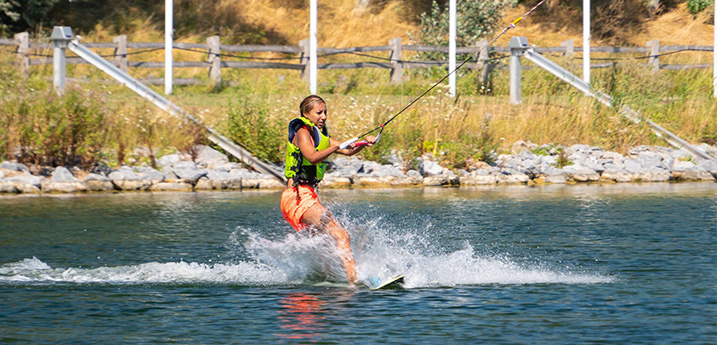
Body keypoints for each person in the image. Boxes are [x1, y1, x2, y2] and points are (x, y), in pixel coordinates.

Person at [280, 95, 376, 286]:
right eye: (319, 113)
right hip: (297, 197)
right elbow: (312, 157)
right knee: (341, 235)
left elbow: (347, 150)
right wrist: (334, 148)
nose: (323, 116)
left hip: (307, 196)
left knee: (327, 243)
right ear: (306, 114)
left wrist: (365, 143)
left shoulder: (320, 134)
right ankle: (355, 281)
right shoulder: (302, 132)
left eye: (325, 112)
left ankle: (329, 277)